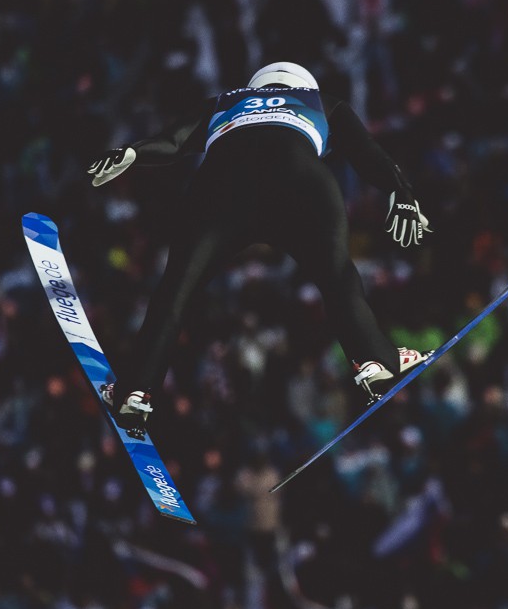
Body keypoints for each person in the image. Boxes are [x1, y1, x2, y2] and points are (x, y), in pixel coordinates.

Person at [88, 62, 433, 438]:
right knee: (337, 276)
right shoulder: (322, 101)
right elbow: (366, 151)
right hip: (300, 181)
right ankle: (374, 361)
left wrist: (133, 152)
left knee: (177, 289)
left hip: (222, 186)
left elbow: (173, 142)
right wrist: (401, 191)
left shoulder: (225, 101)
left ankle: (135, 391)